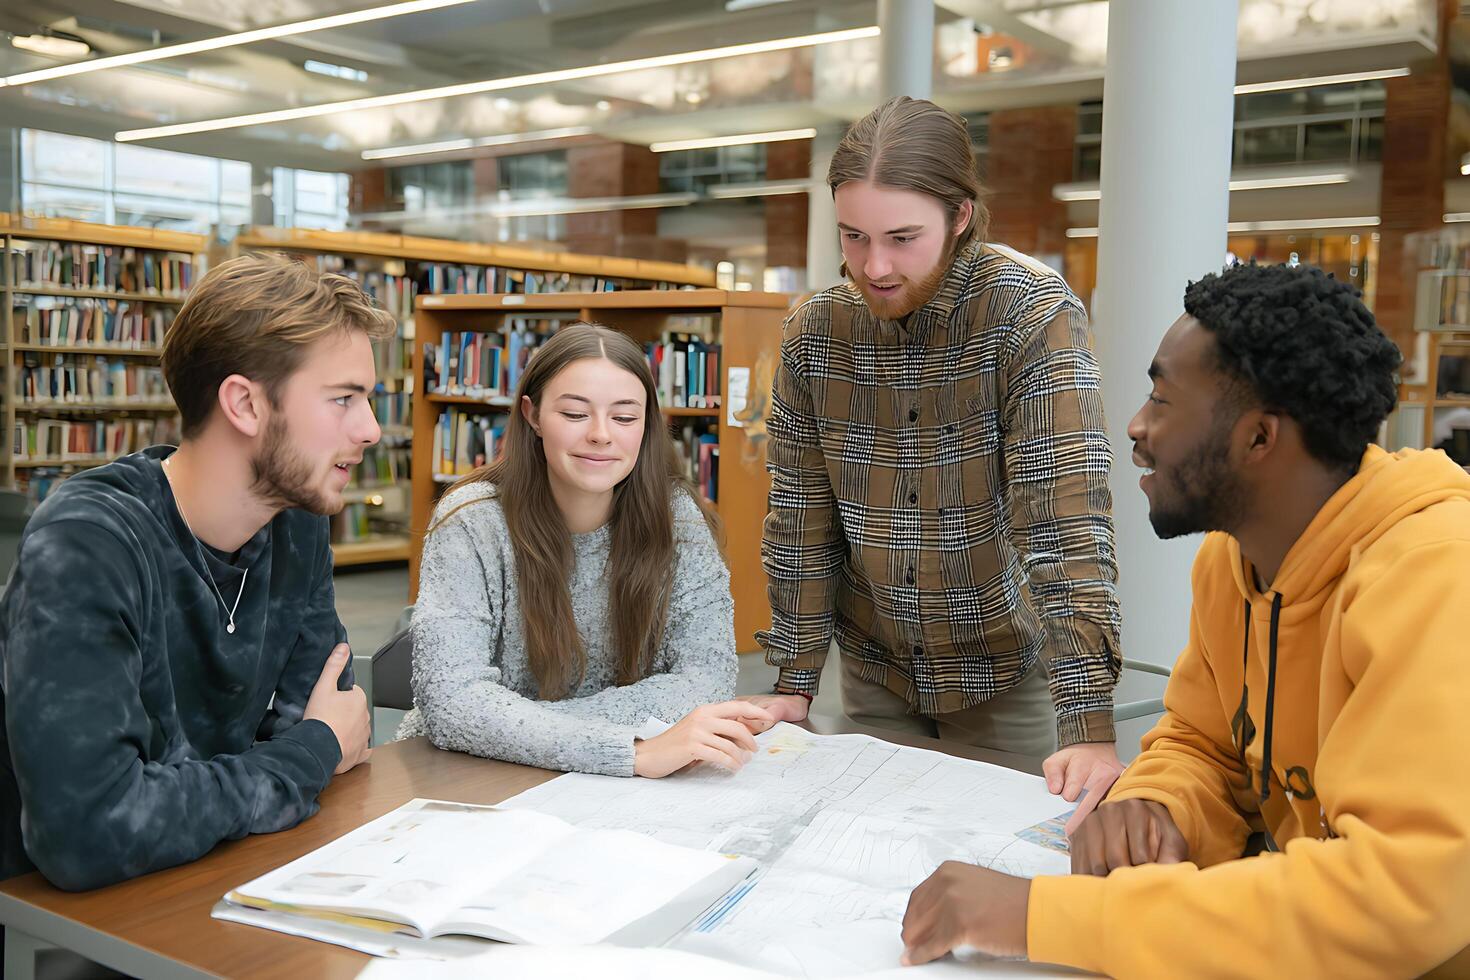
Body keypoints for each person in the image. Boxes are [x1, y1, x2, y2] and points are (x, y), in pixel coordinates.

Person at [901, 263, 1470, 977]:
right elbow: (1205, 742)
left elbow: (1398, 900)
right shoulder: (1232, 563)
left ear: (1259, 439)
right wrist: (1160, 807)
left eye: (1163, 402)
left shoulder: (1438, 578)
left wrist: (1038, 916)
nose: (1137, 427)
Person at [745, 95, 1124, 822]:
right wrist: (794, 679)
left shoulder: (1030, 314)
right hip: (875, 666)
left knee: (996, 864)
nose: (874, 265)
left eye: (902, 237)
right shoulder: (814, 332)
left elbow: (1063, 525)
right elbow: (799, 517)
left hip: (1002, 670)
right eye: (853, 237)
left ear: (959, 215)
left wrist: (1088, 722)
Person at [0, 252, 386, 891]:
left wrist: (302, 749)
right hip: (68, 919)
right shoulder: (88, 543)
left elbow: (331, 724)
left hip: (220, 878)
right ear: (244, 404)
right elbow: (91, 831)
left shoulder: (297, 520)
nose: (370, 429)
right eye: (343, 398)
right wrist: (308, 751)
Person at [398, 324, 772, 777]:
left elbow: (708, 680)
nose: (601, 434)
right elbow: (452, 701)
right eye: (575, 414)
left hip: (592, 784)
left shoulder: (677, 519)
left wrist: (514, 724)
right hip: (467, 774)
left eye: (625, 417)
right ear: (532, 416)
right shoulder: (471, 521)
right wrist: (625, 751)